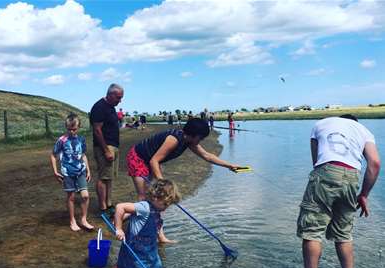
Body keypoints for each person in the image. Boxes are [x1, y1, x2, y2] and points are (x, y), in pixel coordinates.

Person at [296, 114, 381, 268]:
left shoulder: (319, 124)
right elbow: (375, 163)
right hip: (352, 175)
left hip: (325, 170)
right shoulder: (364, 131)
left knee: (312, 230)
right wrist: (364, 195)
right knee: (343, 232)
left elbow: (316, 162)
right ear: (354, 123)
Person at [126, 118, 242, 242]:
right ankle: (134, 230)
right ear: (195, 135)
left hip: (152, 160)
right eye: (201, 137)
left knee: (158, 200)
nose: (201, 140)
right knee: (144, 198)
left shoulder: (189, 141)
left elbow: (207, 156)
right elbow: (154, 160)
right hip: (138, 158)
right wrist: (163, 184)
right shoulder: (174, 139)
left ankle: (159, 235)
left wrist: (229, 165)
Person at [114, 179, 181, 268]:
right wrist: (119, 228)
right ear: (155, 198)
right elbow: (120, 207)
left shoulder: (155, 209)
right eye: (165, 204)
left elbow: (130, 214)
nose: (166, 207)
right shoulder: (144, 207)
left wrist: (126, 216)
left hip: (151, 253)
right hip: (138, 255)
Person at [50, 113, 93, 232]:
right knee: (71, 197)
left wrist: (88, 170)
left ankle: (84, 219)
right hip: (67, 172)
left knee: (85, 196)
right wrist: (55, 171)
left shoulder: (81, 139)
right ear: (66, 127)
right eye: (69, 129)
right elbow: (53, 155)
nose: (72, 132)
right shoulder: (62, 140)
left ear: (78, 127)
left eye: (74, 129)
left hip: (81, 171)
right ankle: (72, 220)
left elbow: (83, 155)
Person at [90, 83, 123, 216]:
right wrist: (106, 150)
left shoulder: (110, 107)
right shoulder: (99, 107)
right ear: (110, 95)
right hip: (105, 147)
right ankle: (103, 208)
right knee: (103, 177)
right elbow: (97, 130)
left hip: (113, 145)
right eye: (118, 97)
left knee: (109, 177)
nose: (120, 100)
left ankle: (109, 204)